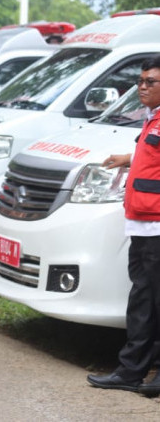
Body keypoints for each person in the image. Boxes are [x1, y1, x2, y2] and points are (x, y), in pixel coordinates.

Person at [88, 55, 160, 397]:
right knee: (143, 301)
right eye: (140, 81)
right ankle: (131, 371)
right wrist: (126, 158)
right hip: (143, 224)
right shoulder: (152, 119)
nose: (142, 87)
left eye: (151, 82)